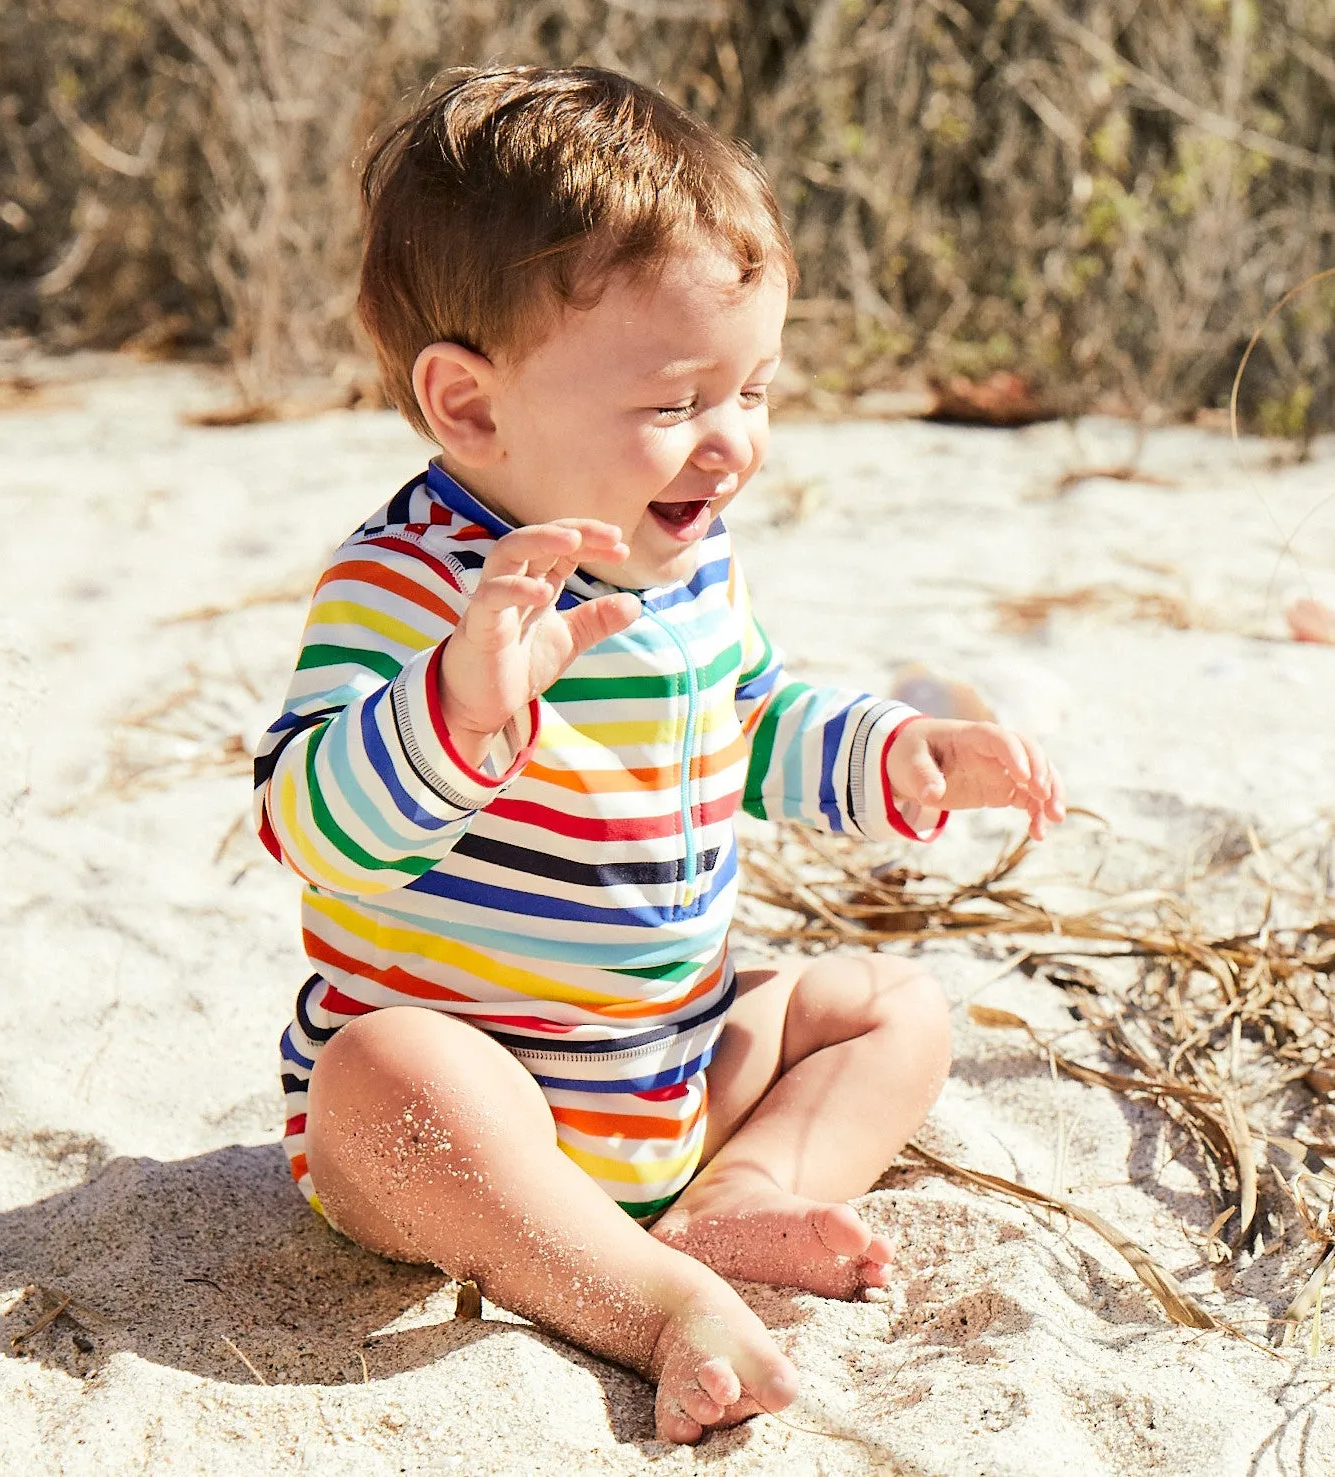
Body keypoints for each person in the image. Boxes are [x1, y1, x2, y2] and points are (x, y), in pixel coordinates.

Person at [254, 65, 1065, 1443]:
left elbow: (750, 721)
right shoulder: (403, 587)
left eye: (757, 388)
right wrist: (453, 711)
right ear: (469, 407)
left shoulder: (690, 566)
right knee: (383, 1075)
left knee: (887, 1008)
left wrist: (898, 752)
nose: (735, 444)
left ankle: (736, 1201)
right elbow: (306, 825)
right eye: (680, 401)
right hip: (473, 1110)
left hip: (670, 1073)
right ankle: (642, 1297)